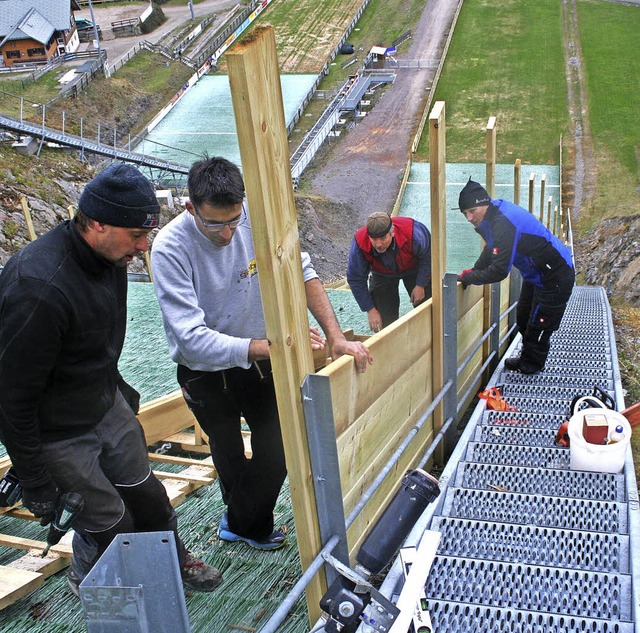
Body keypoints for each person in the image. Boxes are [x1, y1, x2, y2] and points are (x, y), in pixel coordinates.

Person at [0, 162, 222, 596]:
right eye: (136, 236)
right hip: (57, 432)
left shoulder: (113, 255)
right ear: (97, 223)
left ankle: (173, 561)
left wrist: (116, 386)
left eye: (147, 234)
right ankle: (95, 579)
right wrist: (34, 478)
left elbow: (100, 332)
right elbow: (10, 395)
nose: (144, 247)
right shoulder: (39, 287)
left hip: (101, 402)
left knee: (150, 499)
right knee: (110, 521)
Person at [151, 157, 373, 551]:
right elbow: (190, 339)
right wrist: (270, 346)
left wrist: (334, 336)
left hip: (258, 363)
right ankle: (248, 525)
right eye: (214, 223)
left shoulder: (256, 219)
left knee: (282, 440)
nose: (227, 233)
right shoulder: (170, 247)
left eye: (234, 219)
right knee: (228, 451)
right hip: (203, 371)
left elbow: (302, 272)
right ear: (190, 207)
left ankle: (238, 521)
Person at [456, 179, 575, 374]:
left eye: (471, 211)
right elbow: (492, 249)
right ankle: (526, 358)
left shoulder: (504, 222)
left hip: (555, 275)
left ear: (483, 203)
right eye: (464, 213)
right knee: (523, 317)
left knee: (540, 325)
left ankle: (532, 369)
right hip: (536, 273)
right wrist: (473, 270)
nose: (468, 218)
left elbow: (500, 270)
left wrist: (471, 278)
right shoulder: (494, 215)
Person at [347, 212, 432, 332]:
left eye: (383, 238)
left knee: (428, 308)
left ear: (392, 233)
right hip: (382, 274)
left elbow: (428, 256)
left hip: (414, 268)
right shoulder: (360, 242)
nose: (378, 244)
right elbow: (355, 278)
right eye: (374, 239)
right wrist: (370, 309)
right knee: (384, 320)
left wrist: (420, 284)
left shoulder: (413, 233)